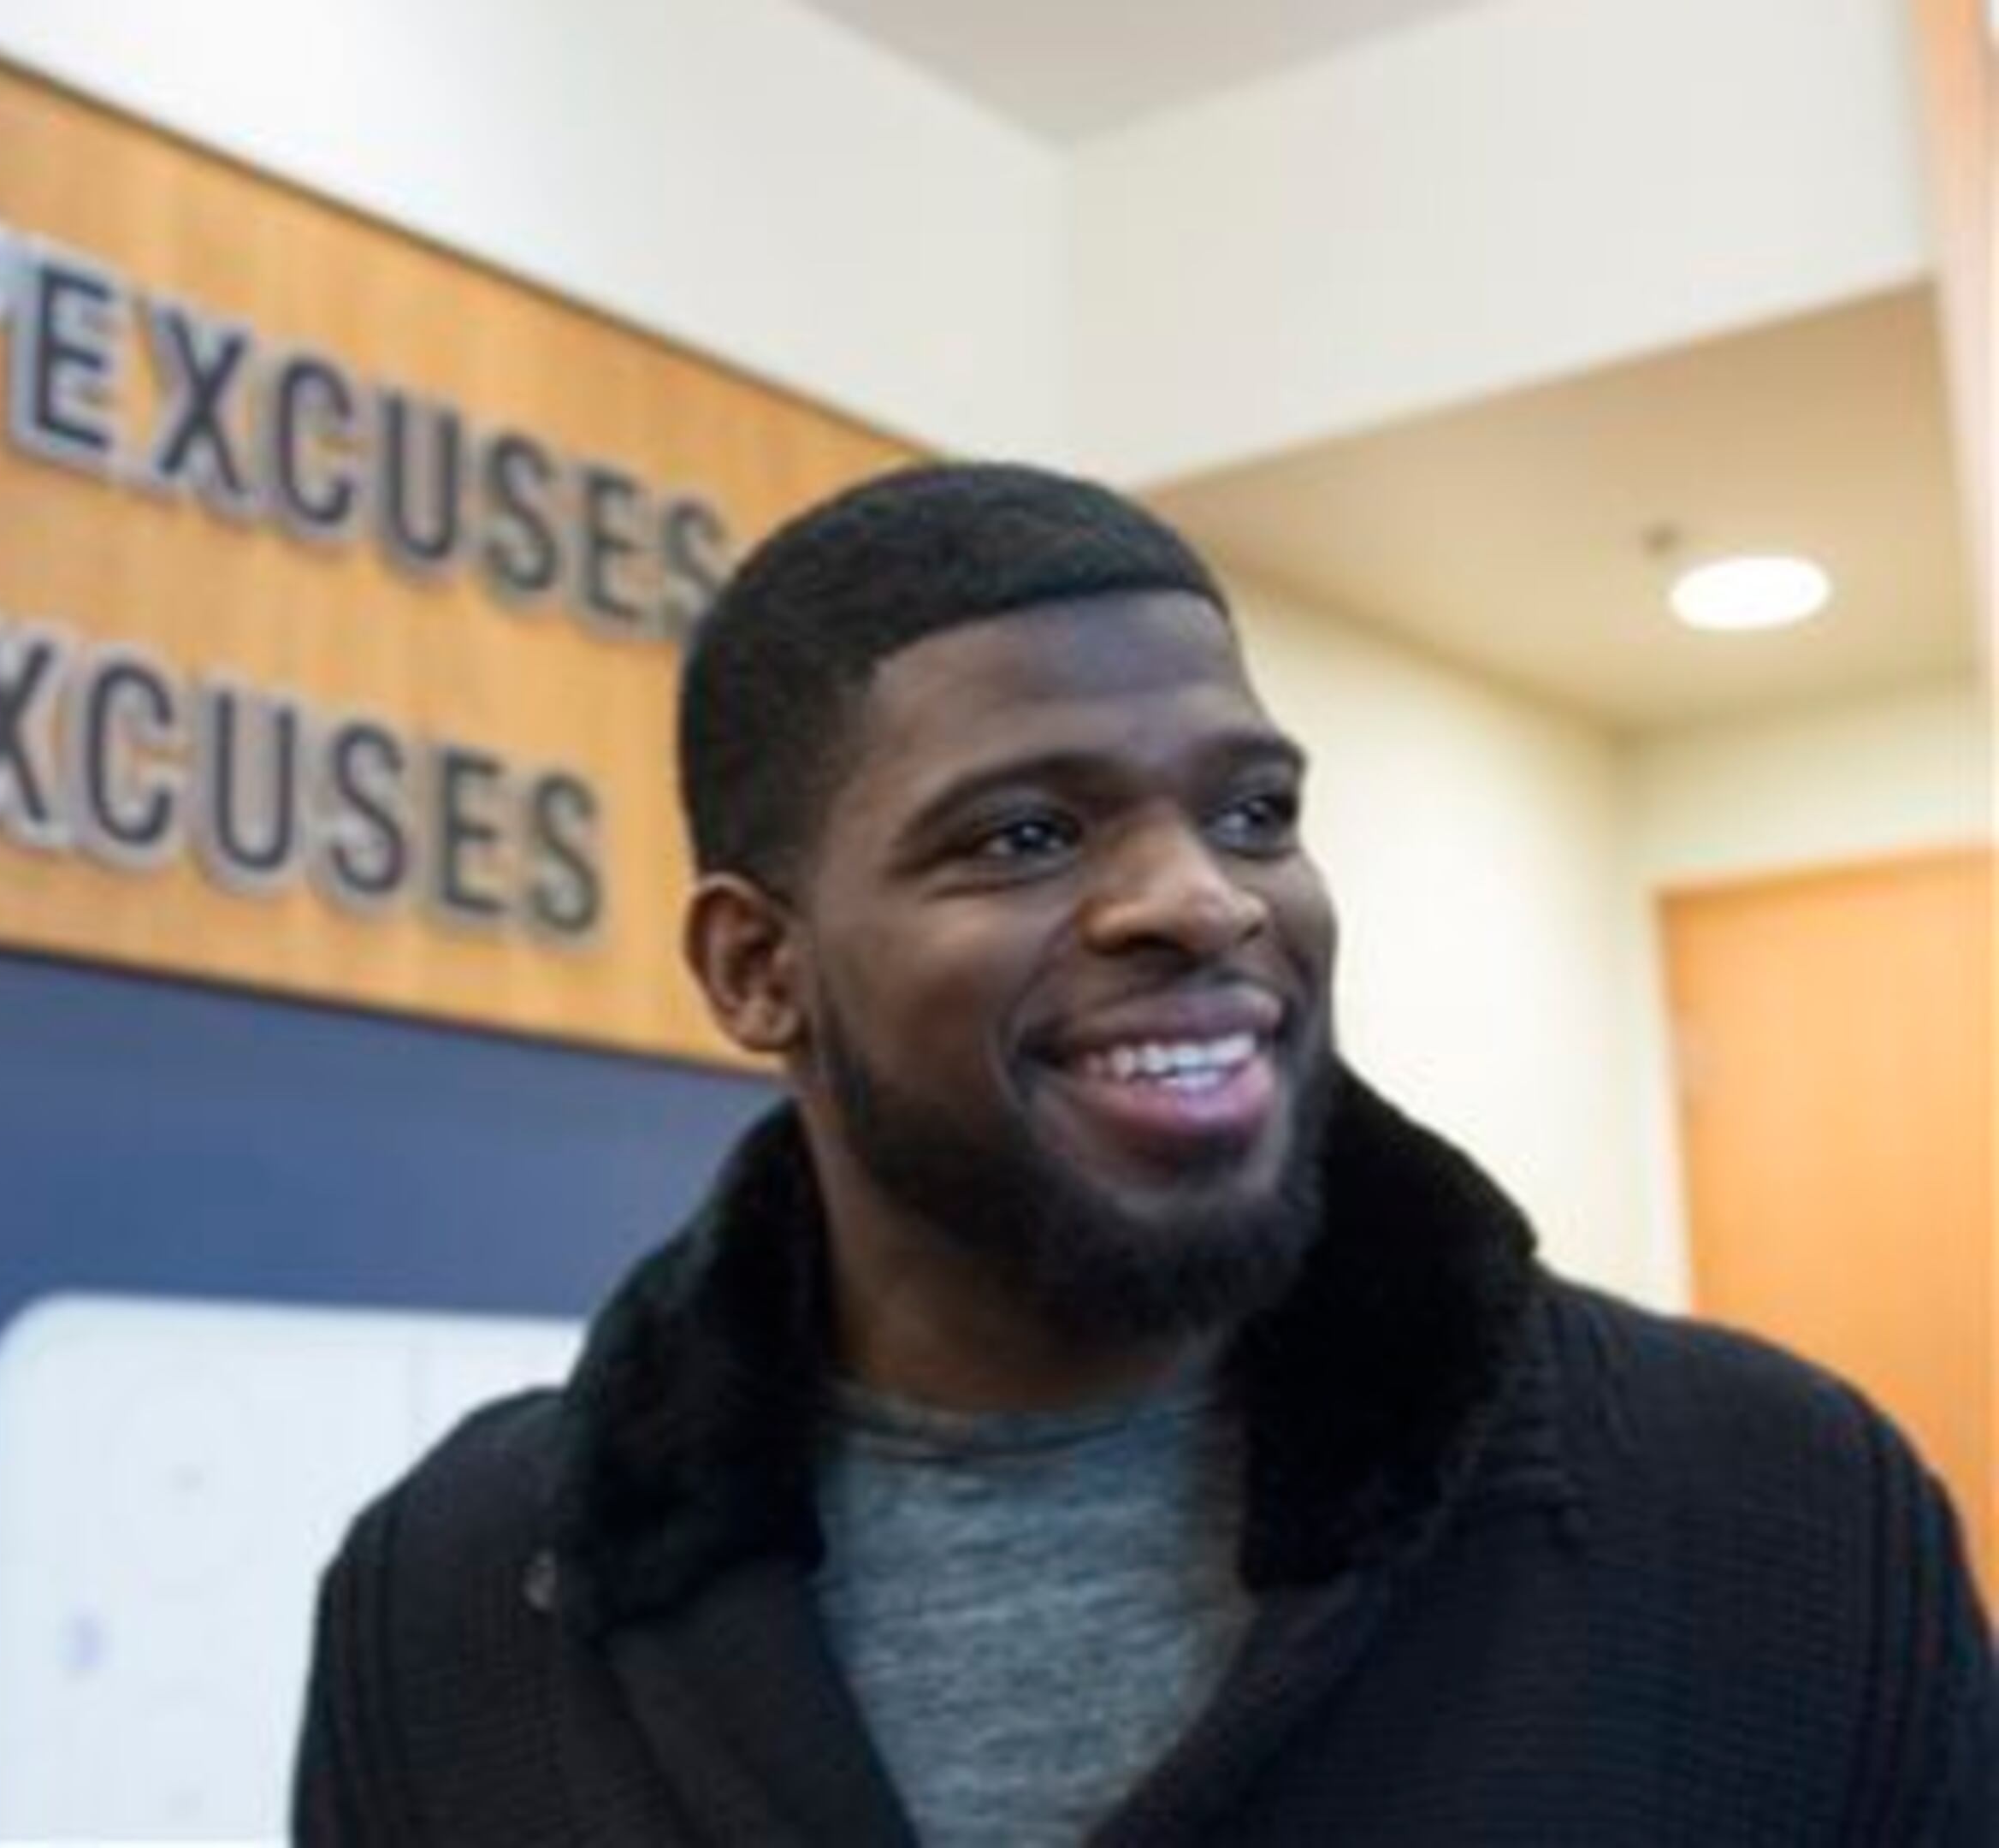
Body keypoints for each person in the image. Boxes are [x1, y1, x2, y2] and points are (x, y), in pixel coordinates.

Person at [292, 461, 1994, 1845]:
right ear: (758, 969)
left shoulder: (1776, 1510)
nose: (1204, 899)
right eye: (1026, 834)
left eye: (1255, 813)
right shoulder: (451, 1592)